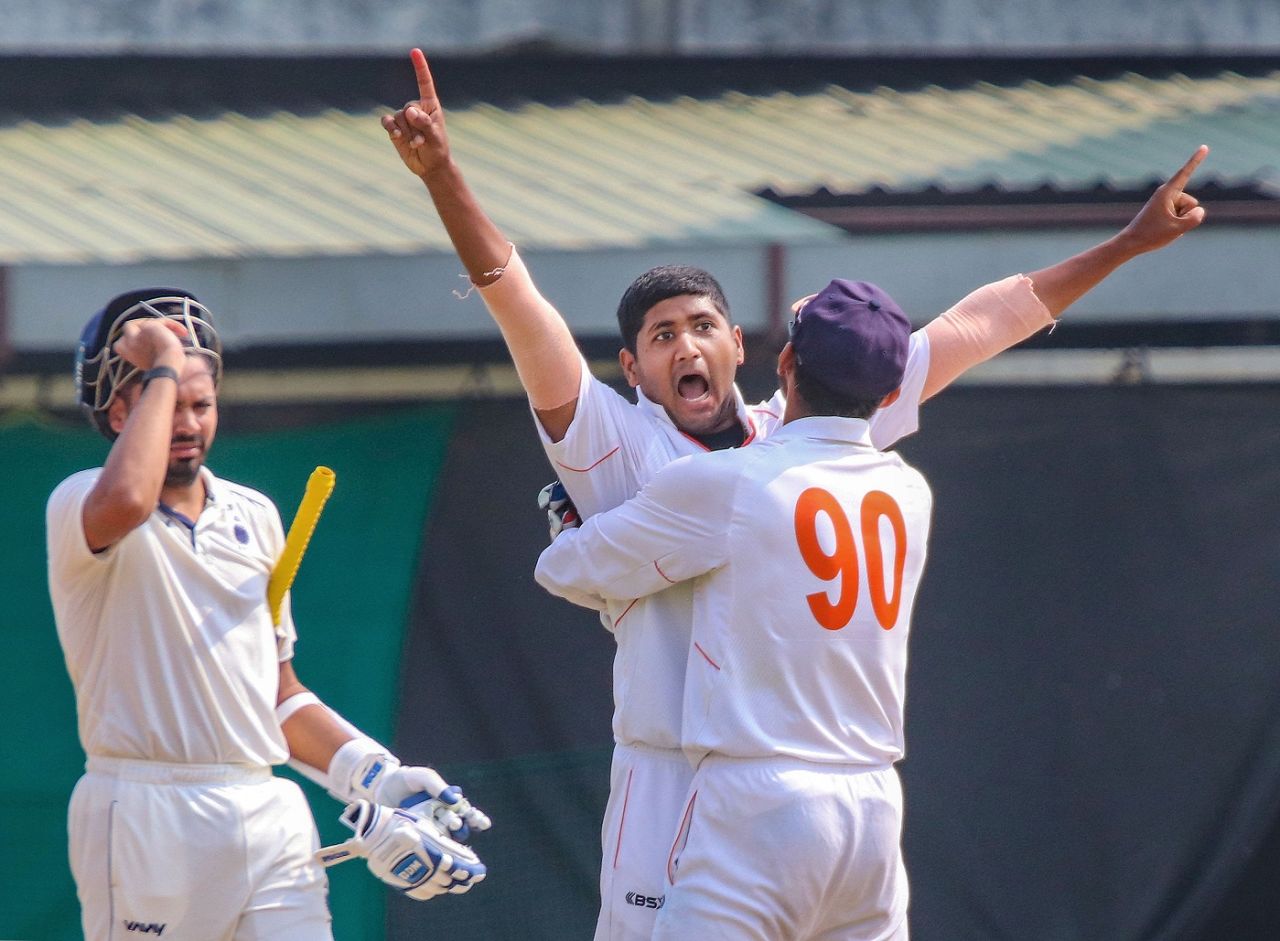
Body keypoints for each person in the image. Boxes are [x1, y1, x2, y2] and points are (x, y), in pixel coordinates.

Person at [381, 47, 1207, 940]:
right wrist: (444, 180)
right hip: (671, 778)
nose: (685, 347)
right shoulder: (617, 441)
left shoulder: (797, 436)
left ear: (746, 346)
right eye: (661, 338)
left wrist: (1126, 245)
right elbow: (521, 304)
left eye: (702, 327)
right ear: (631, 369)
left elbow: (982, 322)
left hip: (763, 783)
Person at [47, 289, 490, 940]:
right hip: (143, 808)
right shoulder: (82, 500)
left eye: (202, 403)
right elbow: (129, 495)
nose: (188, 422)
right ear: (119, 414)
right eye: (166, 402)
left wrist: (379, 778)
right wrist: (167, 358)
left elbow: (277, 694)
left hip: (266, 809)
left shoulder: (254, 513)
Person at [535, 278, 932, 939]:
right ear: (890, 394)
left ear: (780, 363)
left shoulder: (733, 481)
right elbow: (974, 326)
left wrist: (579, 535)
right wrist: (1123, 244)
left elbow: (565, 567)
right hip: (871, 804)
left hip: (755, 793)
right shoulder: (910, 490)